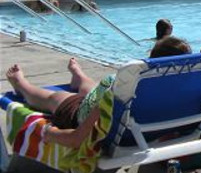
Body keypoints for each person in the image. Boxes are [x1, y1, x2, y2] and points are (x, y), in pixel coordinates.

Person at [4, 37, 191, 149]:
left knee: (55, 98)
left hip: (100, 123)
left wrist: (47, 132)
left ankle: (21, 84)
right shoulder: (185, 91)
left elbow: (77, 138)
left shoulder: (123, 90)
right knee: (96, 91)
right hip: (140, 132)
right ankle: (79, 77)